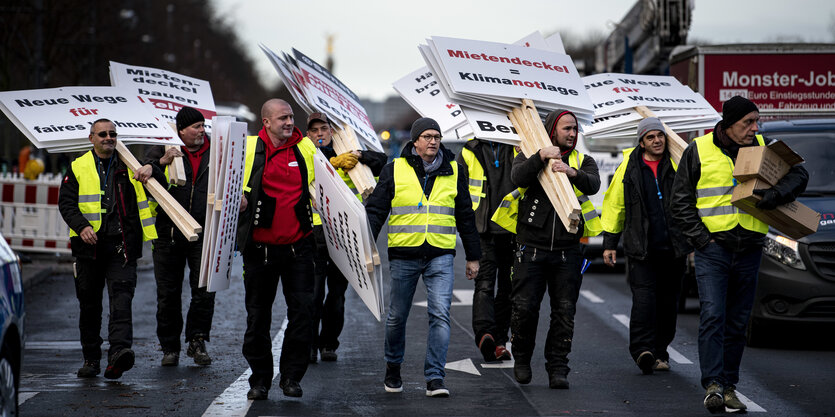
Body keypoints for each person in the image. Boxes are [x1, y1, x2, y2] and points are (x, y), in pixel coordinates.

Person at [670, 96, 808, 413]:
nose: (754, 128)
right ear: (729, 124)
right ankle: (713, 385)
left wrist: (775, 196)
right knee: (713, 316)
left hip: (750, 247)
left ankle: (729, 386)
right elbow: (680, 202)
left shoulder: (764, 146)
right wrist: (702, 241)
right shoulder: (699, 149)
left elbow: (800, 174)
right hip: (713, 249)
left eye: (756, 121)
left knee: (737, 322)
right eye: (748, 122)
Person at [365, 117, 481, 398]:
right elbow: (376, 212)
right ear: (415, 141)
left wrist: (473, 257)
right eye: (427, 136)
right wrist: (364, 245)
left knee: (440, 314)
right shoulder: (395, 169)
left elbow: (465, 215)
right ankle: (393, 367)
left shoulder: (454, 170)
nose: (433, 141)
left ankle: (435, 378)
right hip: (404, 254)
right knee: (397, 317)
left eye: (437, 136)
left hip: (440, 254)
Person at [58, 118, 159, 379]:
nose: (108, 138)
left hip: (121, 246)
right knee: (89, 306)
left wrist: (153, 167)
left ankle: (118, 355)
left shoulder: (131, 167)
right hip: (88, 249)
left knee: (122, 302)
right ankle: (91, 359)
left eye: (113, 134)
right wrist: (82, 227)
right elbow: (66, 203)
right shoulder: (78, 167)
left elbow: (162, 188)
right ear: (91, 138)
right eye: (102, 134)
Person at [509, 109, 601, 390]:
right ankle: (522, 360)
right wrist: (541, 157)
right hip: (531, 248)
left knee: (564, 312)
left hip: (567, 251)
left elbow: (593, 184)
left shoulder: (583, 160)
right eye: (567, 129)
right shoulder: (530, 152)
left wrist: (571, 172)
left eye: (575, 129)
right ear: (552, 130)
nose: (572, 134)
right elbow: (517, 178)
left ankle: (558, 368)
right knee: (525, 310)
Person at [237, 99, 318, 401]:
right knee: (258, 317)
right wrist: (240, 198)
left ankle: (291, 377)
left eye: (291, 117)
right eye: (282, 118)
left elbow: (333, 167)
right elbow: (223, 178)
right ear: (266, 122)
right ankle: (259, 380)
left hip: (299, 248)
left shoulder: (306, 148)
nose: (289, 122)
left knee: (303, 314)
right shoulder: (247, 148)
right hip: (259, 250)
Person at [601, 117, 691, 375]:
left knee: (668, 304)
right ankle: (642, 351)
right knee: (643, 301)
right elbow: (615, 205)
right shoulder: (629, 168)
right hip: (642, 249)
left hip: (674, 249)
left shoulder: (676, 163)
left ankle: (661, 352)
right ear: (641, 142)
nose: (657, 140)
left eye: (660, 136)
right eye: (650, 137)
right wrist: (610, 243)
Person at [304, 112, 386, 363]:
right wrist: (333, 164)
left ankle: (329, 343)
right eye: (315, 130)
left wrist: (360, 155)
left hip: (344, 232)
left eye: (324, 129)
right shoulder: (307, 153)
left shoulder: (350, 153)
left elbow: (383, 162)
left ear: (332, 132)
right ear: (308, 134)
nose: (320, 134)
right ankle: (309, 344)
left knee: (337, 295)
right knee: (314, 293)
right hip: (317, 232)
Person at [144, 106, 214, 367]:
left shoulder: (215, 151)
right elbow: (141, 175)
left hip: (203, 232)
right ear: (181, 130)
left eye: (202, 126)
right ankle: (170, 347)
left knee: (204, 291)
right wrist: (159, 164)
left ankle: (197, 341)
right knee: (168, 293)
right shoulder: (162, 149)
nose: (201, 131)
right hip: (168, 234)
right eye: (195, 127)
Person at [456, 138, 517, 362]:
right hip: (483, 230)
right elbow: (460, 191)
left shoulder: (519, 144)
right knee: (484, 284)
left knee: (508, 289)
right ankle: (486, 336)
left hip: (513, 228)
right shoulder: (469, 150)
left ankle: (500, 341)